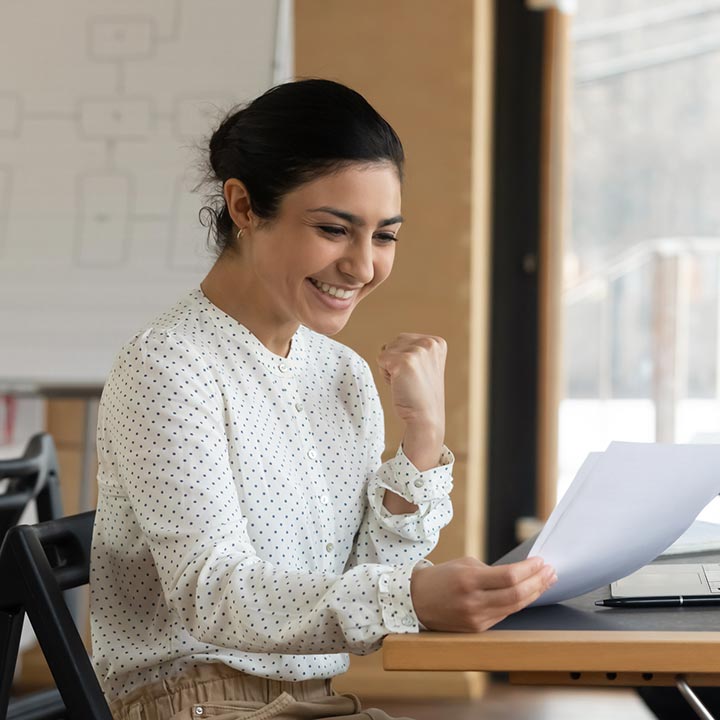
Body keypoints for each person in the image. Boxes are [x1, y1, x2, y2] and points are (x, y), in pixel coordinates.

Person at [89, 79, 557, 720]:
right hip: (195, 706)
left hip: (318, 704)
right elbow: (214, 597)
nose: (363, 266)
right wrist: (413, 598)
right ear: (245, 207)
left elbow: (366, 577)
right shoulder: (169, 365)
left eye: (385, 236)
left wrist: (422, 436)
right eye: (335, 229)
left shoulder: (341, 372)